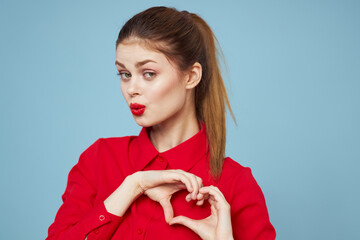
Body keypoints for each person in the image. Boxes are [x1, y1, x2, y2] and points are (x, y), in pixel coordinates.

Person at [46, 6, 276, 240]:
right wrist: (134, 186)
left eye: (148, 73)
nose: (132, 90)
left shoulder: (235, 184)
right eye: (125, 74)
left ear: (191, 76)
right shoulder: (99, 160)